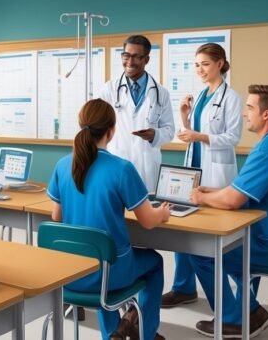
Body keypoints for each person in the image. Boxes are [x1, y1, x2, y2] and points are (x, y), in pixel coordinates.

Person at [188, 85, 268, 337]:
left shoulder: (267, 150)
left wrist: (200, 198)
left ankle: (235, 319)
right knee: (228, 245)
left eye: (250, 108)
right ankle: (251, 311)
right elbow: (240, 190)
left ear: (266, 114)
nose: (245, 114)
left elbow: (233, 200)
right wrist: (215, 192)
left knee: (201, 251)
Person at [47, 99, 171, 340]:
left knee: (102, 255)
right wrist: (163, 213)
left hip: (69, 274)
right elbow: (148, 221)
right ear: (111, 132)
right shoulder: (121, 169)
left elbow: (56, 217)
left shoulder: (63, 165)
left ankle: (113, 334)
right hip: (108, 275)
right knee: (154, 262)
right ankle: (145, 334)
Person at [163, 43, 243, 308]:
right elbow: (192, 134)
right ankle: (183, 288)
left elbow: (233, 137)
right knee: (183, 230)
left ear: (220, 63)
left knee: (208, 237)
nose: (200, 69)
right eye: (196, 65)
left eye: (205, 64)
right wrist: (184, 118)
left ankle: (229, 301)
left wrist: (198, 135)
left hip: (216, 173)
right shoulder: (200, 95)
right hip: (194, 169)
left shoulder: (231, 98)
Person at [99, 35, 175, 191]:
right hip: (116, 161)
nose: (129, 62)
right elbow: (96, 124)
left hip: (147, 168)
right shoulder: (109, 89)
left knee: (145, 211)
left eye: (136, 57)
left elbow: (169, 130)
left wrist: (155, 135)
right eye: (126, 55)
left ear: (146, 59)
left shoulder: (161, 93)